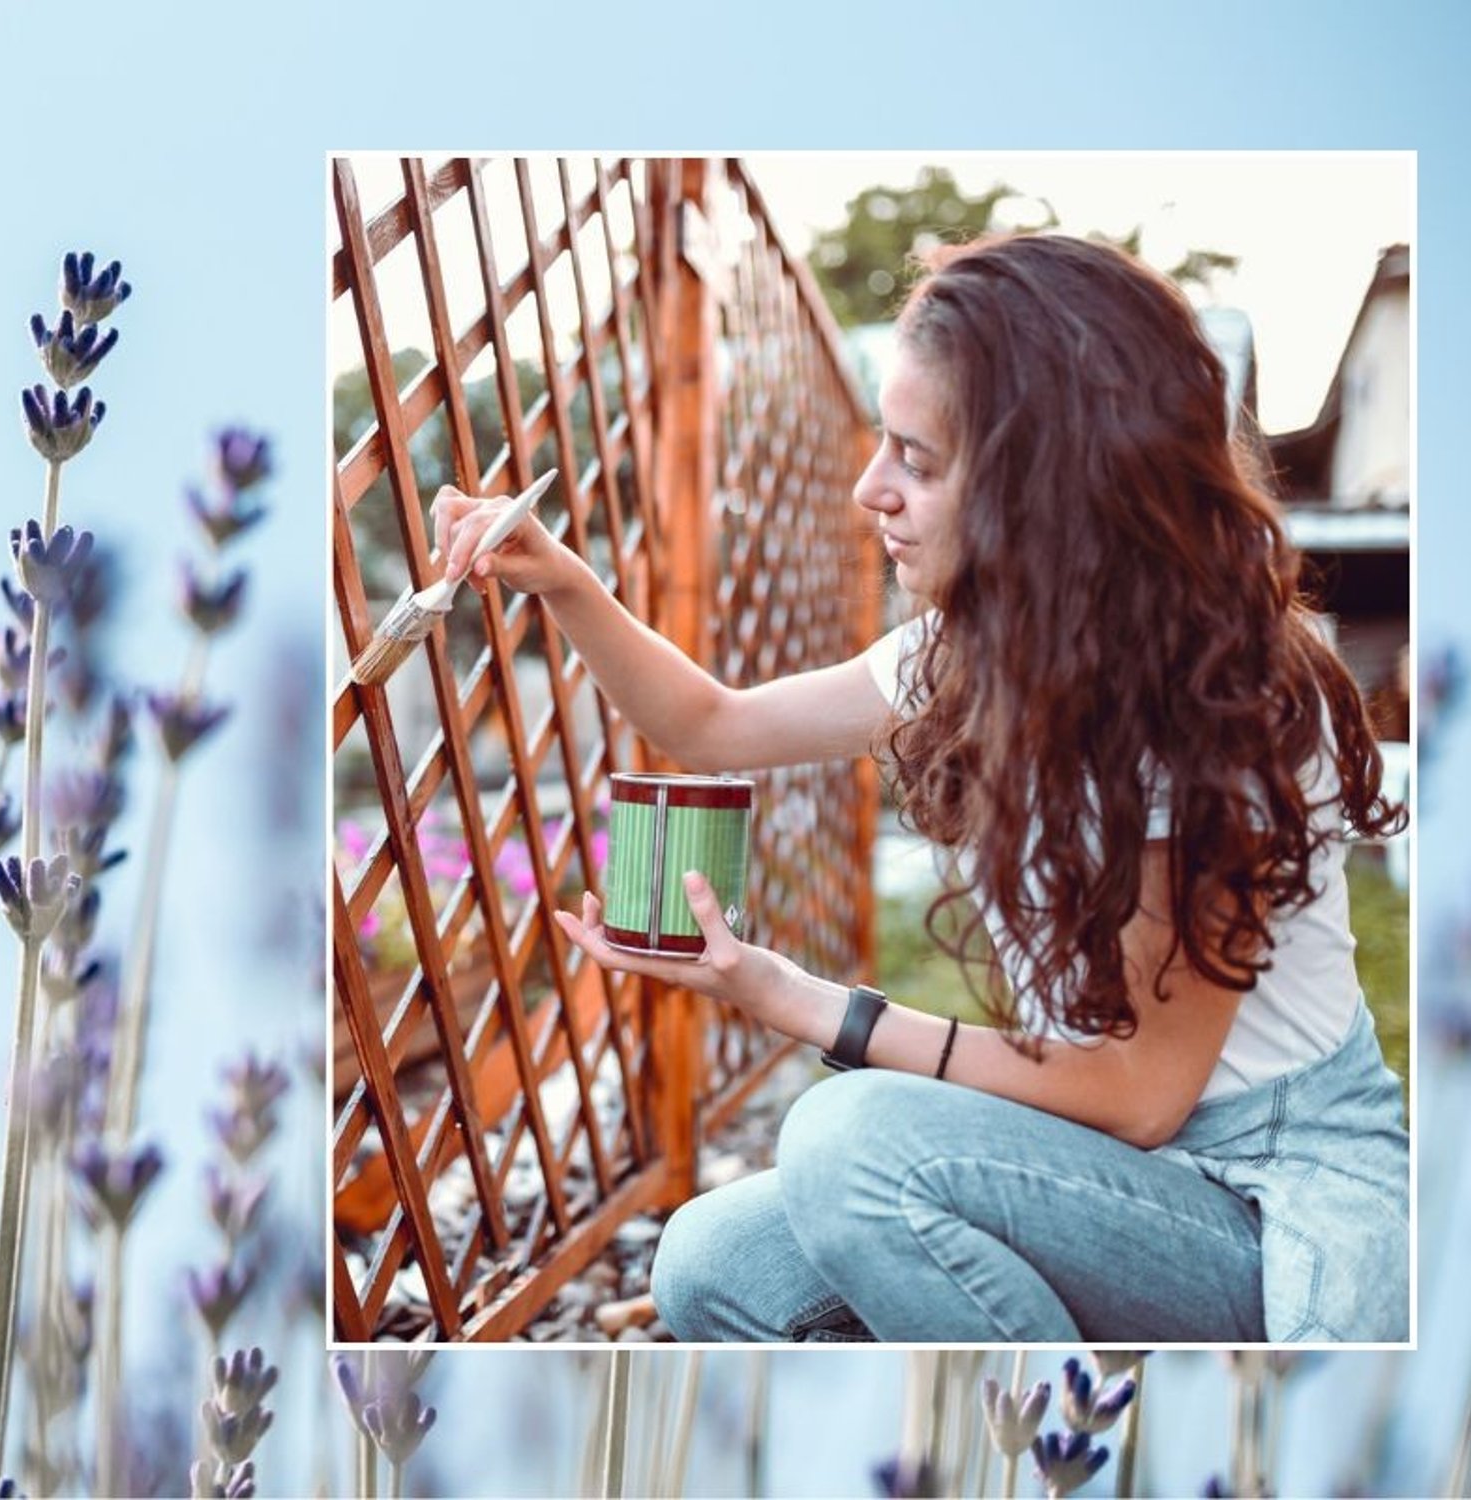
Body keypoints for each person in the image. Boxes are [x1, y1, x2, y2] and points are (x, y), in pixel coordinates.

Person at [427, 232, 1407, 1343]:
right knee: (713, 1266)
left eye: (915, 460)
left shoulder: (1217, 712)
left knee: (851, 1145)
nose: (867, 490)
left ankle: (1053, 1446)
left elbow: (1137, 1095)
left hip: (1261, 1198)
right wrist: (564, 581)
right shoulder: (964, 654)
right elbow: (711, 723)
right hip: (1102, 1162)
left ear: (1050, 489)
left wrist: (802, 1003)